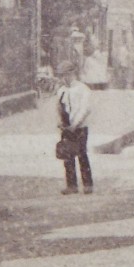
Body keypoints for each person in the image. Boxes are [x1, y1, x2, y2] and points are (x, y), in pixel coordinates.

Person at [55, 60, 94, 195]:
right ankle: (71, 185)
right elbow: (59, 107)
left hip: (80, 127)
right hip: (67, 127)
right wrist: (61, 122)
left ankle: (88, 185)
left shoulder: (82, 89)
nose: (62, 79)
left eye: (64, 75)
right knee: (67, 156)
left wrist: (75, 124)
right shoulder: (62, 91)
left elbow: (85, 109)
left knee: (82, 154)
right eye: (60, 76)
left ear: (72, 74)